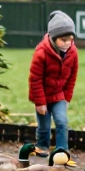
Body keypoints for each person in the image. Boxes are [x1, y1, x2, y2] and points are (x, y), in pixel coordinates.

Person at [28, 10, 78, 156]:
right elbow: (35, 79)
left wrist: (67, 98)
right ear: (53, 37)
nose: (68, 43)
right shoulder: (41, 53)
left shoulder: (73, 53)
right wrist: (40, 102)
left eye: (70, 39)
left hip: (59, 96)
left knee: (62, 122)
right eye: (63, 40)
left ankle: (62, 150)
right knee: (44, 126)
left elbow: (72, 78)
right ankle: (42, 146)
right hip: (42, 96)